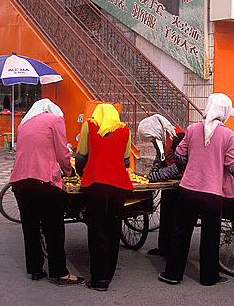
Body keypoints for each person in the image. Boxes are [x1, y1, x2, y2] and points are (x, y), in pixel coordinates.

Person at [158, 93, 234, 286]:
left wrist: (193, 162)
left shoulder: (191, 129)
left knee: (180, 232)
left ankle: (173, 274)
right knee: (210, 237)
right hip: (212, 195)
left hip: (188, 190)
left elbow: (180, 155)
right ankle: (209, 277)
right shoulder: (228, 135)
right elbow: (232, 165)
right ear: (224, 112)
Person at [9, 99, 85, 286]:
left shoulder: (24, 123)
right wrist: (69, 171)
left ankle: (35, 269)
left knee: (31, 228)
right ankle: (59, 273)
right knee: (54, 229)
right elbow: (62, 153)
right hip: (44, 182)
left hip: (20, 182)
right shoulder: (54, 120)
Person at [75, 104, 133, 292]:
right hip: (118, 185)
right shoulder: (125, 129)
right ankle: (108, 273)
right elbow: (125, 160)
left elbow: (81, 156)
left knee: (97, 229)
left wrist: (81, 173)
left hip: (97, 184)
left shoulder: (89, 126)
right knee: (113, 228)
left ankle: (99, 278)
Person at [137, 114, 185, 257]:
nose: (151, 141)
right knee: (166, 214)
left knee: (176, 218)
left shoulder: (178, 137)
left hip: (180, 181)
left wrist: (162, 174)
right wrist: (156, 167)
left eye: (151, 137)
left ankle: (173, 251)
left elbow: (181, 164)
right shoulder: (161, 138)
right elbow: (160, 156)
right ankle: (163, 248)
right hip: (169, 182)